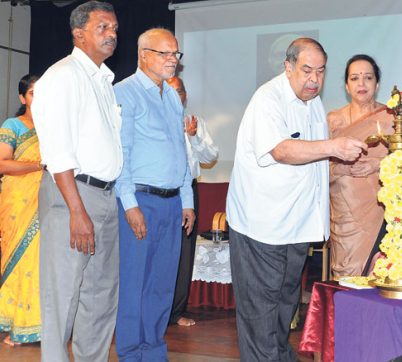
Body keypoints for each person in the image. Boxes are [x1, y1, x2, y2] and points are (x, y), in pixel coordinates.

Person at [226, 38, 367, 361]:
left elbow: (313, 162)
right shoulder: (268, 99)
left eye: (320, 72)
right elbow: (281, 150)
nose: (314, 80)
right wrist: (333, 147)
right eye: (306, 71)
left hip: (298, 225)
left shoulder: (313, 105)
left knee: (285, 304)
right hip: (262, 225)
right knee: (261, 309)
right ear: (287, 67)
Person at [31, 2, 122, 361]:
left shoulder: (103, 81)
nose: (112, 34)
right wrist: (76, 210)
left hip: (104, 197)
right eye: (103, 27)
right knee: (63, 296)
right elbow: (57, 149)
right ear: (78, 33)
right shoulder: (63, 76)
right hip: (72, 196)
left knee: (100, 298)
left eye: (114, 28)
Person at [114, 28, 194, 361]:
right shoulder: (124, 93)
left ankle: (154, 350)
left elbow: (182, 151)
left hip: (172, 202)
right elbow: (122, 153)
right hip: (140, 200)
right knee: (134, 283)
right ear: (144, 54)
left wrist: (187, 200)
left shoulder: (173, 97)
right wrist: (130, 205)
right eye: (165, 54)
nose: (173, 60)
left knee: (162, 285)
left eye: (176, 54)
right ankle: (132, 353)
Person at [328, 54, 402, 277]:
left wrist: (377, 164)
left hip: (382, 207)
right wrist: (342, 168)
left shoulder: (391, 117)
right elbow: (318, 167)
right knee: (349, 274)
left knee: (381, 270)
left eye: (368, 77)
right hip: (345, 212)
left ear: (377, 83)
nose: (361, 84)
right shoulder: (333, 120)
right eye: (354, 78)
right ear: (346, 85)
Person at [166, 75, 219, 327]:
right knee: (160, 251)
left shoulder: (194, 122)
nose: (177, 95)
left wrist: (194, 137)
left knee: (184, 252)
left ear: (185, 95)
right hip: (159, 191)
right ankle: (156, 311)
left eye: (180, 91)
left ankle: (176, 312)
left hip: (187, 191)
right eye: (170, 91)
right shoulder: (153, 121)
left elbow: (210, 156)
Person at [0, 74, 42, 346]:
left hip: (48, 201)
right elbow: (3, 164)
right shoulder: (13, 125)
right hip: (18, 202)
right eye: (33, 94)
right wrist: (39, 166)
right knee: (19, 258)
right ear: (22, 98)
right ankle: (13, 322)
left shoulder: (54, 126)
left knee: (41, 262)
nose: (38, 100)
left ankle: (36, 323)